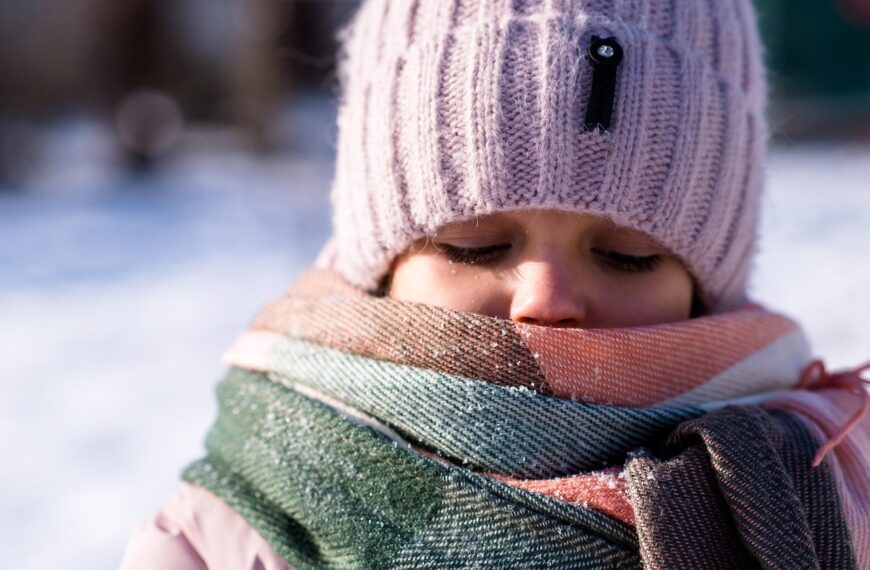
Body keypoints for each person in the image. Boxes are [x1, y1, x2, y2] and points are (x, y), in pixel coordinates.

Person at [119, 0, 869, 568]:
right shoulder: (227, 535)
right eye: (473, 246)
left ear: (708, 287)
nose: (546, 299)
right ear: (380, 267)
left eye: (627, 254)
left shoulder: (827, 492)